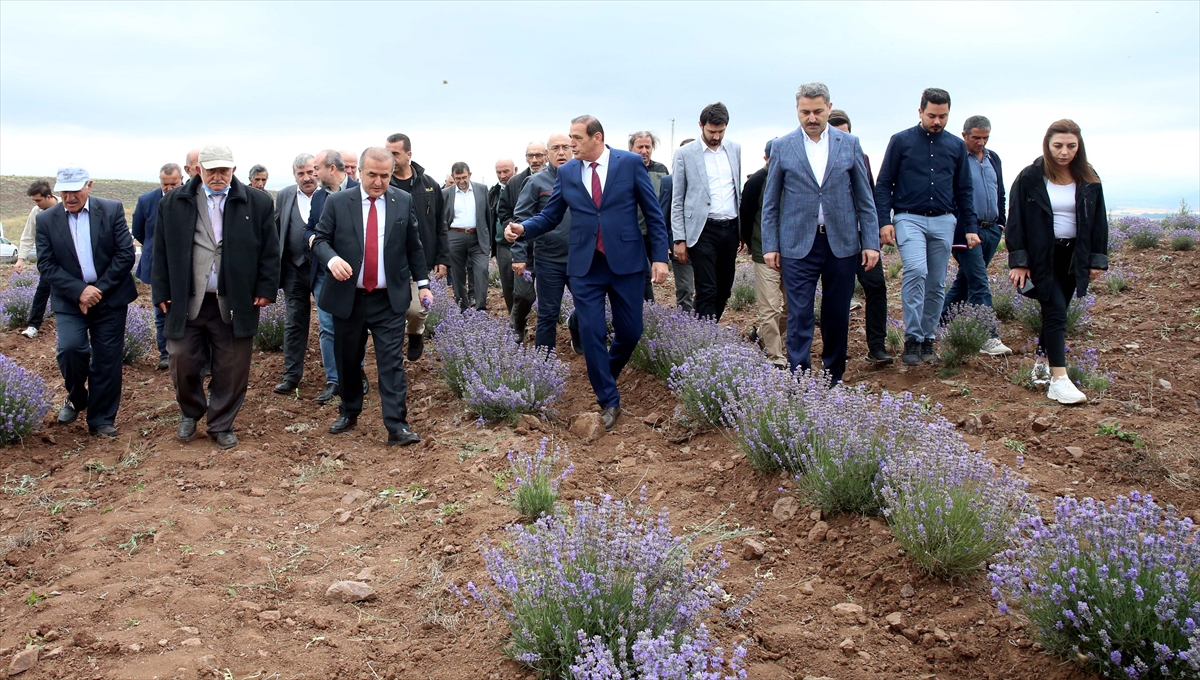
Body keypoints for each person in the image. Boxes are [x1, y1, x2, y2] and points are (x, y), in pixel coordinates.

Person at [506, 115, 669, 431]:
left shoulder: (630, 163)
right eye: (568, 138)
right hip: (584, 265)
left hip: (626, 262)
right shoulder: (566, 173)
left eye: (576, 139)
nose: (570, 145)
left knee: (631, 331)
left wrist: (659, 258)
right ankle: (608, 399)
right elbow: (551, 216)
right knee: (592, 331)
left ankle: (604, 371)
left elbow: (653, 213)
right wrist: (523, 228)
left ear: (597, 138)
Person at [153, 144, 280, 450]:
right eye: (212, 170)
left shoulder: (258, 202)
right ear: (199, 170)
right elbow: (160, 250)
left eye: (224, 170)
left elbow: (270, 250)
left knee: (232, 366)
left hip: (236, 300)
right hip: (187, 300)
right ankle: (191, 411)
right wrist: (161, 289)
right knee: (181, 360)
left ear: (234, 170)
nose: (218, 176)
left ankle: (221, 423)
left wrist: (265, 288)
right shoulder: (174, 202)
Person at [311, 147, 433, 446]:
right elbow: (320, 238)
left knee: (391, 362)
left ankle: (397, 426)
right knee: (348, 359)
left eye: (385, 176)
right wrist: (331, 260)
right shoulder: (339, 202)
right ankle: (349, 411)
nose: (378, 182)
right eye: (372, 175)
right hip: (348, 298)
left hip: (387, 298)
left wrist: (423, 283)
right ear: (359, 172)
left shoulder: (402, 201)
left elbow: (413, 246)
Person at [762, 82, 879, 385]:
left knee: (836, 313)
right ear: (797, 110)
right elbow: (771, 203)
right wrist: (771, 245)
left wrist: (871, 242)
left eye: (817, 111)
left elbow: (865, 199)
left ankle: (833, 377)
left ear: (829, 108)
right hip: (797, 244)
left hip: (841, 243)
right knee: (799, 313)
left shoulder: (849, 144)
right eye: (805, 112)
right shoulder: (782, 146)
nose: (811, 118)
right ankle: (799, 381)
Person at [875, 87, 979, 366]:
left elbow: (964, 189)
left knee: (936, 282)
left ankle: (927, 339)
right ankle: (911, 337)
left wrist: (970, 227)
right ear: (920, 111)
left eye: (943, 116)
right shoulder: (900, 141)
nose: (937, 121)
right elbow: (884, 183)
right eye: (932, 115)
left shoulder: (956, 146)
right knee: (916, 270)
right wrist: (884, 221)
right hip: (909, 217)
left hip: (944, 219)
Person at [1006, 120, 1107, 405]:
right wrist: (1019, 261)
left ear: (1079, 147)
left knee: (1057, 308)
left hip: (1074, 256)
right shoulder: (1030, 177)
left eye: (1071, 146)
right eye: (1058, 146)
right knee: (1056, 313)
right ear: (1048, 145)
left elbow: (1099, 220)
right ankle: (1059, 380)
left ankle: (1039, 364)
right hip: (1041, 257)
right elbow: (1016, 221)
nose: (1064, 152)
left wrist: (1097, 259)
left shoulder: (1088, 176)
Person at [35, 165, 137, 437]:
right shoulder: (46, 220)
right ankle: (77, 395)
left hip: (110, 297)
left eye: (75, 190)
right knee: (71, 349)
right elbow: (46, 265)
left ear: (89, 185)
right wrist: (80, 291)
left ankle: (101, 419)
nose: (70, 197)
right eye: (64, 192)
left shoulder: (112, 210)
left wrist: (97, 290)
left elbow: (125, 255)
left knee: (107, 359)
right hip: (70, 300)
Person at [941, 114, 1013, 357]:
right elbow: (953, 197)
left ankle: (937, 324)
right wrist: (964, 227)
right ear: (964, 135)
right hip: (964, 233)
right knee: (980, 283)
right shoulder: (956, 159)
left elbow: (999, 191)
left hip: (991, 229)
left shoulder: (994, 159)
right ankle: (987, 335)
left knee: (966, 281)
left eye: (985, 138)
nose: (981, 142)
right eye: (976, 138)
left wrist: (1001, 223)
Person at [827, 109, 892, 365]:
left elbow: (870, 198)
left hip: (862, 238)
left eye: (847, 134)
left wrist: (872, 238)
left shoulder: (862, 158)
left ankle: (876, 347)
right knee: (838, 296)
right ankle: (835, 352)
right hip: (834, 241)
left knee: (876, 287)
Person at [511, 132, 582, 351]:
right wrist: (520, 255)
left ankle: (578, 331)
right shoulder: (535, 182)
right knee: (548, 313)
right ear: (547, 154)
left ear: (573, 149)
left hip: (581, 257)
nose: (561, 152)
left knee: (588, 307)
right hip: (549, 259)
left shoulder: (584, 177)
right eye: (555, 148)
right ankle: (544, 362)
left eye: (565, 147)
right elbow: (521, 219)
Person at [671, 103, 742, 320]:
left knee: (724, 289)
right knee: (707, 289)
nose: (716, 136)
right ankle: (705, 341)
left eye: (721, 131)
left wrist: (741, 231)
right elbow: (677, 199)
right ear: (701, 126)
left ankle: (700, 328)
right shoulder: (685, 154)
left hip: (730, 227)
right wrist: (679, 239)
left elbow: (737, 189)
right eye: (712, 131)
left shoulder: (735, 149)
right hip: (702, 230)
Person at [303, 149, 360, 404]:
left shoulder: (362, 192)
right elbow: (308, 230)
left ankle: (355, 374)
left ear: (332, 169)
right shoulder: (318, 198)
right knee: (327, 328)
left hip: (353, 275)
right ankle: (334, 380)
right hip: (323, 273)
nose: (314, 173)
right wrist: (312, 238)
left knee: (355, 328)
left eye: (317, 168)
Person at [384, 133, 448, 360]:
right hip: (390, 259)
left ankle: (415, 333)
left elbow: (440, 224)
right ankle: (390, 348)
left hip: (421, 258)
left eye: (395, 154)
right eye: (387, 153)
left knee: (417, 308)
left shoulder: (429, 185)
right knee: (390, 309)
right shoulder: (384, 185)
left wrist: (442, 258)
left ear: (409, 154)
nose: (390, 158)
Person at [272, 153, 321, 396]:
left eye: (311, 172)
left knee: (330, 324)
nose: (307, 177)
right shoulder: (285, 195)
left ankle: (339, 377)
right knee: (294, 323)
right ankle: (291, 375)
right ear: (295, 175)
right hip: (293, 268)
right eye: (301, 173)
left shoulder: (331, 196)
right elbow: (277, 227)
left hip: (324, 270)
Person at [739, 139, 788, 368]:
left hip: (794, 253)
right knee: (770, 307)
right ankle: (775, 356)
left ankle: (760, 335)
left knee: (792, 307)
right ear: (766, 158)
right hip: (764, 252)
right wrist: (754, 246)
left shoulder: (794, 178)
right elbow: (746, 218)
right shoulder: (757, 181)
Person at [131, 163, 185, 369]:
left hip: (185, 264)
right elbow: (138, 231)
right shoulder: (146, 201)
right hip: (156, 264)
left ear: (181, 179)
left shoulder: (192, 197)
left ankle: (193, 354)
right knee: (161, 308)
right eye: (165, 184)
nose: (169, 188)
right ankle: (165, 354)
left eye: (174, 184)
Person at [442, 162, 491, 310]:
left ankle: (480, 308)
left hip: (477, 237)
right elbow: (442, 218)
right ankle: (462, 308)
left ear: (470, 174)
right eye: (457, 178)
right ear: (452, 177)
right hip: (455, 236)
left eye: (464, 177)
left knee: (482, 270)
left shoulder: (482, 189)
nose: (461, 181)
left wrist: (489, 239)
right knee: (457, 275)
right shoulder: (446, 194)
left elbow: (488, 215)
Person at [16, 180, 59, 339]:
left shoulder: (65, 207)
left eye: (38, 200)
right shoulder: (36, 212)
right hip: (48, 262)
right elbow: (28, 236)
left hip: (70, 260)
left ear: (49, 196)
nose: (36, 203)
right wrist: (21, 259)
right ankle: (33, 326)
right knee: (42, 291)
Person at [631, 131, 669, 301]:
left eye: (648, 146)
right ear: (632, 148)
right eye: (640, 147)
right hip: (634, 231)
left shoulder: (661, 170)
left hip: (653, 231)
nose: (644, 150)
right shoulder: (625, 169)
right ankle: (647, 305)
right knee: (642, 273)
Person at [660, 138, 695, 312]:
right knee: (685, 289)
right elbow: (663, 214)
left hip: (705, 242)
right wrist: (666, 243)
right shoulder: (669, 181)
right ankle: (687, 322)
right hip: (679, 244)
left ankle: (704, 325)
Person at [489, 158, 520, 315]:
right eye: (498, 172)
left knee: (524, 286)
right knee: (507, 285)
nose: (502, 175)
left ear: (515, 170)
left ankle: (523, 315)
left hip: (524, 245)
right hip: (503, 246)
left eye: (506, 171)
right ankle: (514, 318)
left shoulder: (524, 187)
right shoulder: (493, 193)